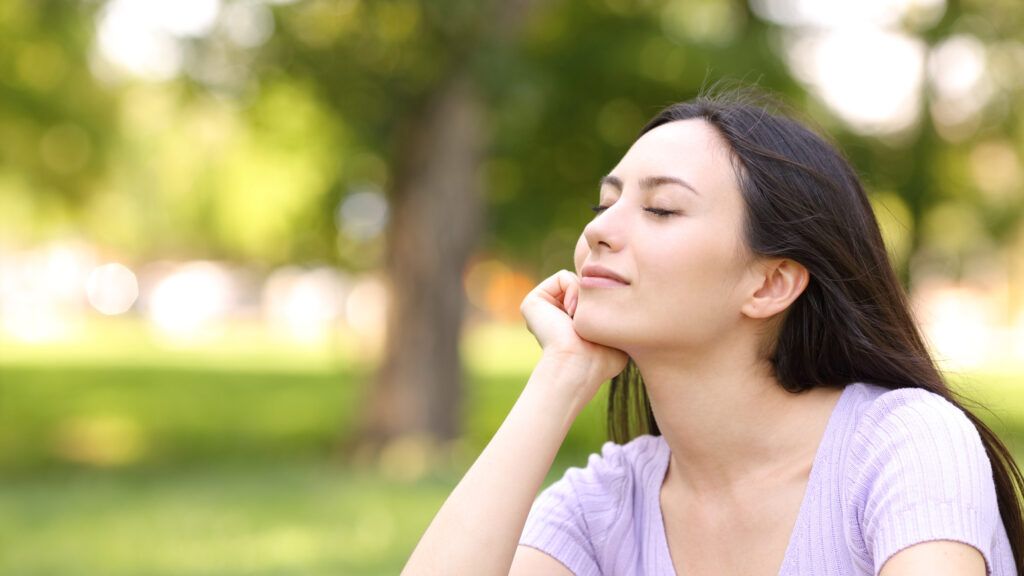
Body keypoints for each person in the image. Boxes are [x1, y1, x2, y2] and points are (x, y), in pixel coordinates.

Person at [401, 91, 1024, 575]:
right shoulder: (610, 503)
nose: (599, 232)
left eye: (662, 209)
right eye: (604, 205)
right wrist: (560, 376)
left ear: (770, 284)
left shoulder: (903, 445)